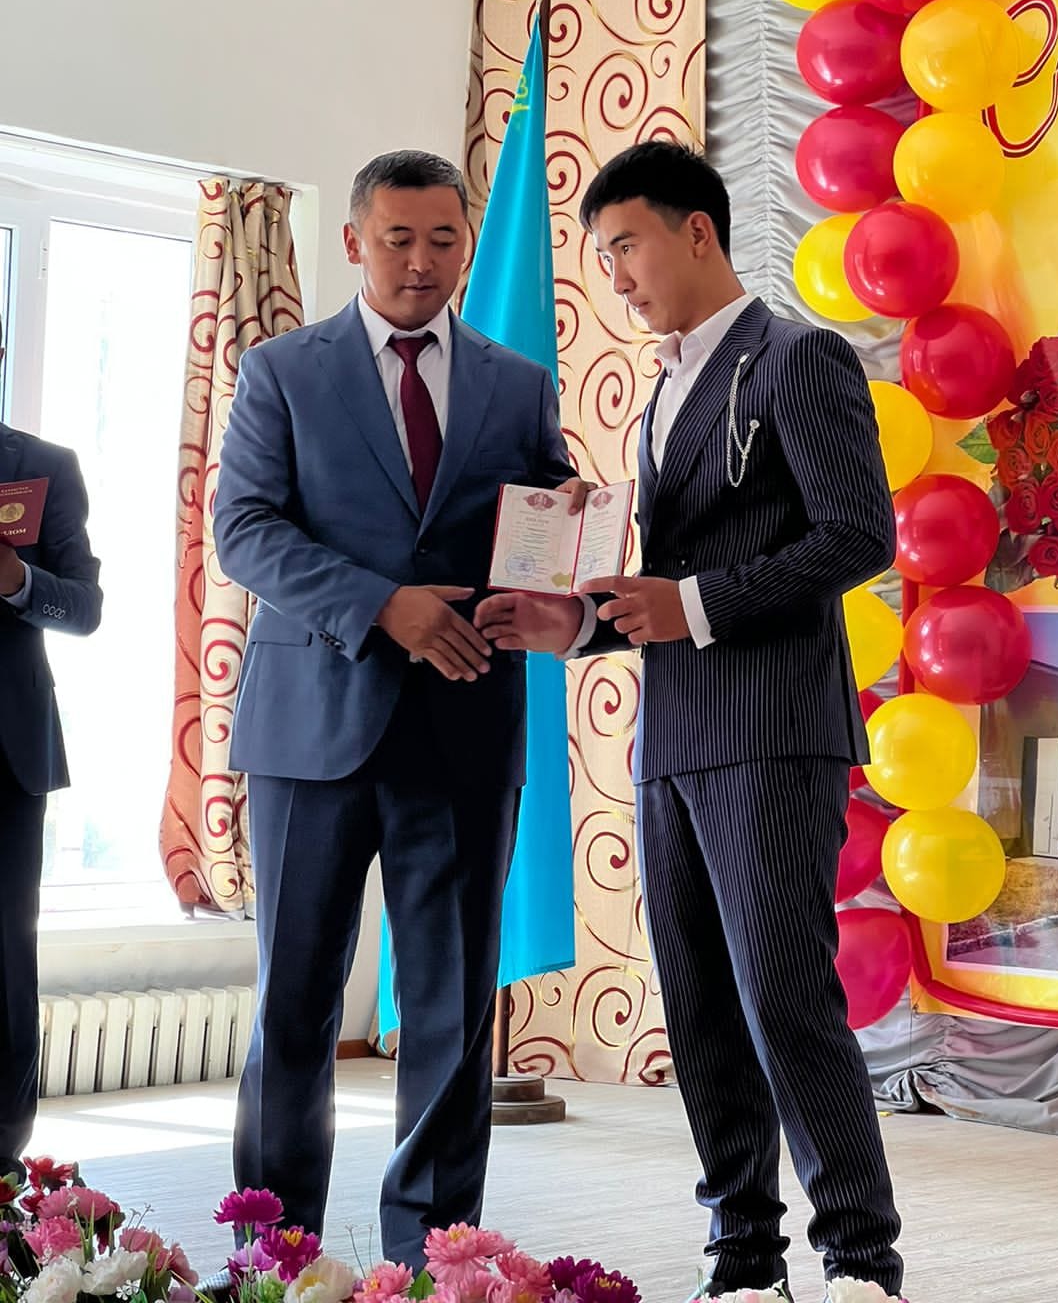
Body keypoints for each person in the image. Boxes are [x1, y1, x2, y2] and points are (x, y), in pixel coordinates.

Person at [475, 143, 906, 1303]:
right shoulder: (662, 389)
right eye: (603, 253)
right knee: (702, 1010)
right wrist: (577, 621)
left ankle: (861, 1261)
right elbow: (662, 587)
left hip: (774, 729)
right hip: (670, 739)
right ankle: (743, 1259)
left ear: (698, 232)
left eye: (626, 245)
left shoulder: (800, 358)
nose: (615, 274)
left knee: (785, 1000)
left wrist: (694, 604)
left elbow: (858, 535)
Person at [214, 150, 584, 1273]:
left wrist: (568, 523)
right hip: (310, 727)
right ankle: (274, 1255)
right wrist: (384, 607)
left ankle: (431, 1264)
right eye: (398, 239)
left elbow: (542, 514)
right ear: (354, 243)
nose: (422, 262)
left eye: (443, 240)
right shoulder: (282, 370)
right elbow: (246, 531)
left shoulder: (517, 382)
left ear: (467, 243)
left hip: (466, 722)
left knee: (450, 1011)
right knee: (295, 1003)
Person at [0, 315, 103, 1179]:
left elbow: (85, 606)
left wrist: (17, 581)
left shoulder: (42, 466)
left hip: (5, 757)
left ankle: (4, 1156)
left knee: (4, 961)